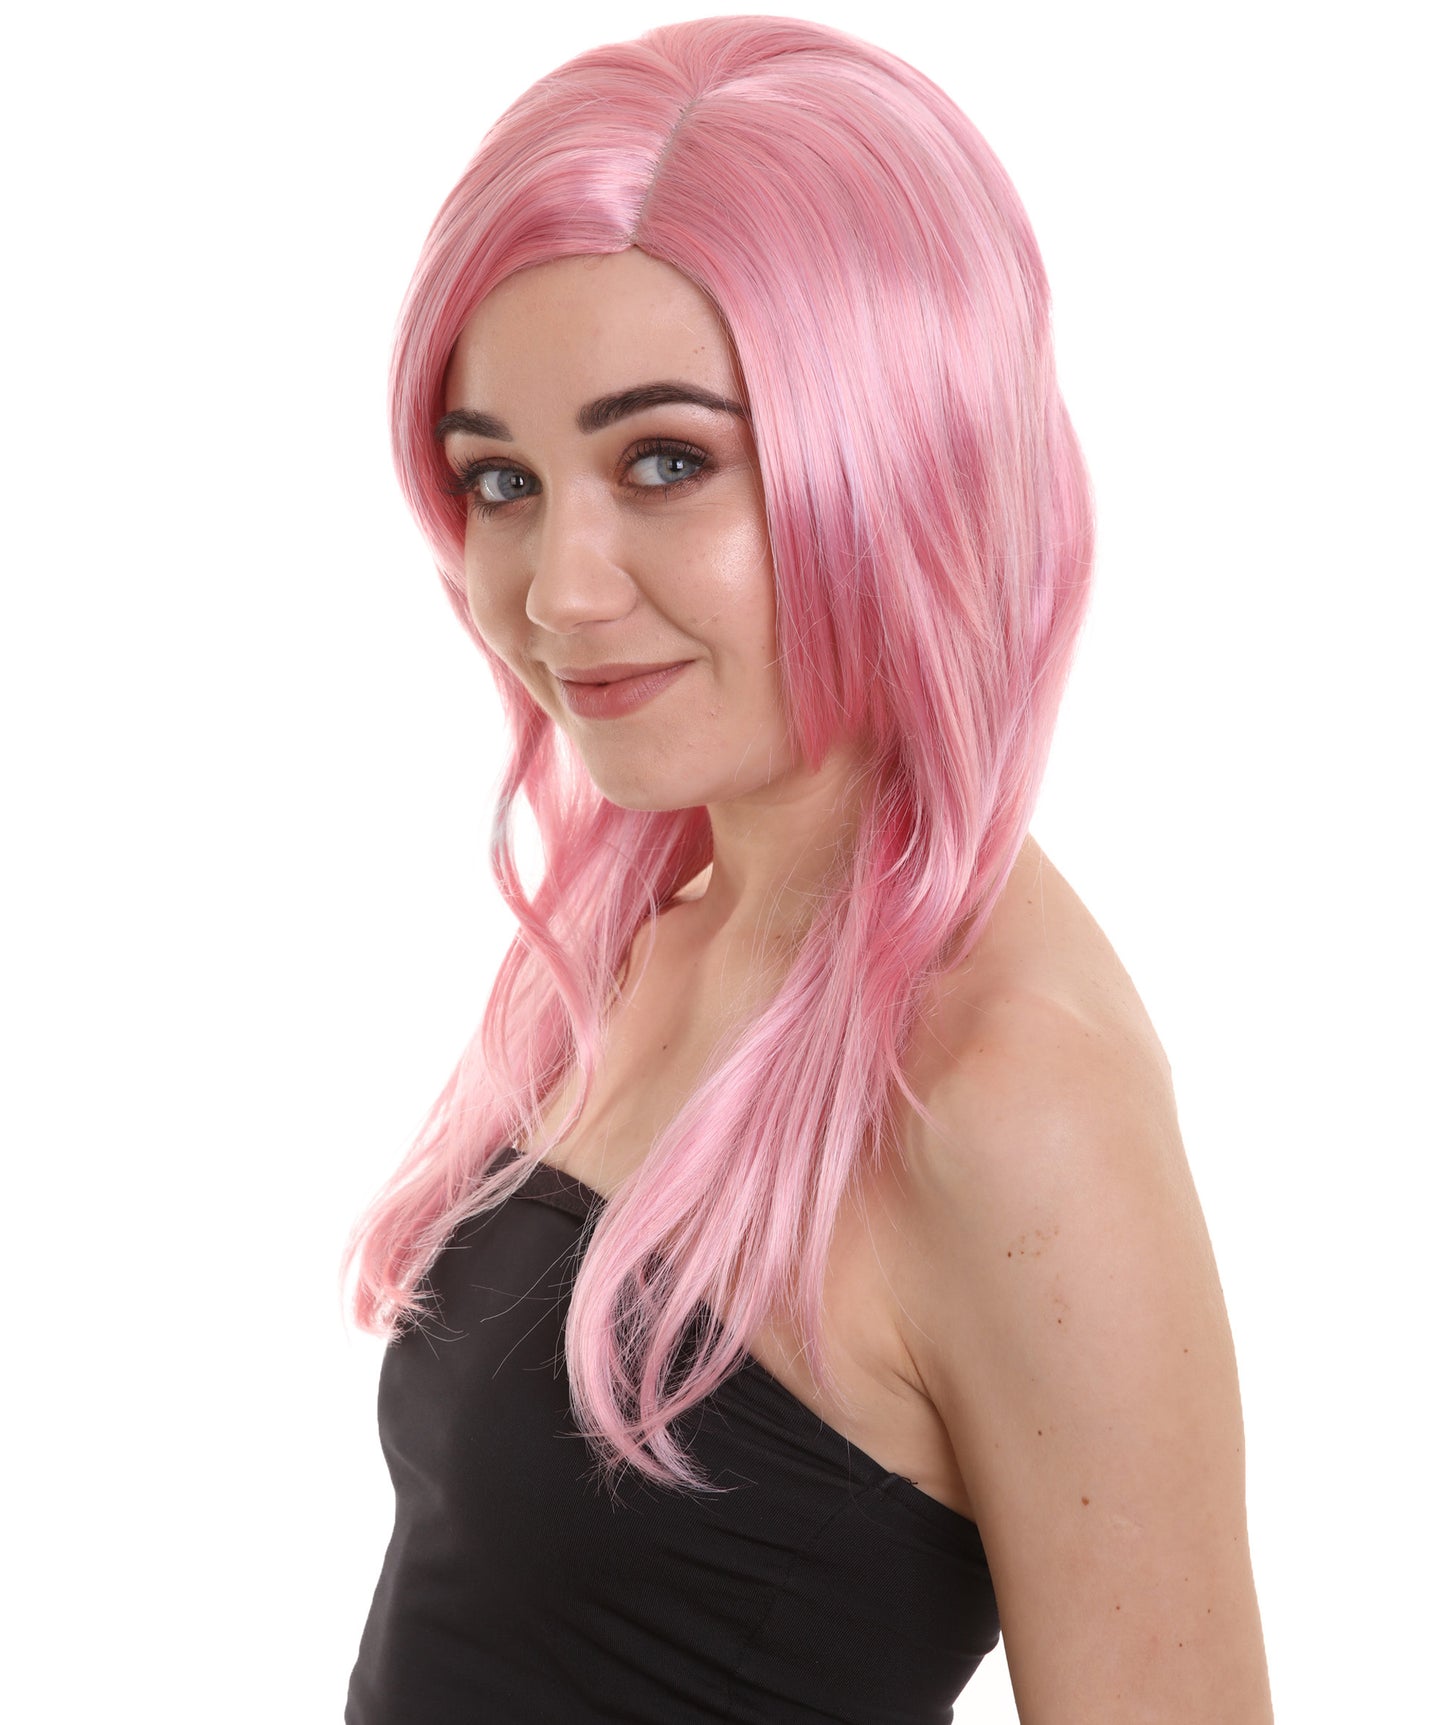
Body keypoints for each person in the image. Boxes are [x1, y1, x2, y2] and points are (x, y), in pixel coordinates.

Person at [342, 16, 1273, 1722]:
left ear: (903, 452)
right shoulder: (663, 931)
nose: (557, 587)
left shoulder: (1006, 1094)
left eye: (666, 461)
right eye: (503, 479)